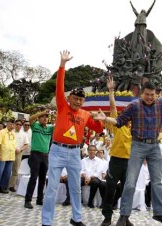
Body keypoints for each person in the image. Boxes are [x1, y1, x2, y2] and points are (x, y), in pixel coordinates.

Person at [96, 80, 162, 226]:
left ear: (156, 94)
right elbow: (119, 120)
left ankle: (159, 213)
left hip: (155, 146)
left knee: (157, 182)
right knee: (130, 183)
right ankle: (124, 215)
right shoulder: (134, 105)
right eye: (147, 94)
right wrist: (105, 118)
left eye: (152, 95)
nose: (150, 97)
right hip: (137, 145)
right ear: (141, 93)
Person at [41, 50, 103, 226]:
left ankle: (76, 219)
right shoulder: (62, 105)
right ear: (69, 98)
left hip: (75, 153)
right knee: (52, 188)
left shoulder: (85, 114)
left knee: (75, 188)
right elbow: (59, 87)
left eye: (80, 100)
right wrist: (62, 65)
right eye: (75, 99)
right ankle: (47, 221)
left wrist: (100, 121)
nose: (77, 102)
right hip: (58, 150)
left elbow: (97, 128)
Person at [101, 76, 133, 226]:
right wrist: (111, 90)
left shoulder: (137, 131)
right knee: (110, 189)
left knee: (127, 192)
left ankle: (125, 217)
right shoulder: (117, 125)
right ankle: (107, 216)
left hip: (129, 163)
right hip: (115, 161)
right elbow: (113, 108)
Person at [24, 110, 54, 209]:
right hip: (35, 155)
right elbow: (30, 119)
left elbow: (59, 124)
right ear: (39, 118)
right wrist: (40, 112)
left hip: (45, 156)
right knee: (33, 178)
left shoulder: (50, 128)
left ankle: (39, 200)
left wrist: (55, 114)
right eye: (42, 117)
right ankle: (27, 200)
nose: (45, 118)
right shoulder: (35, 126)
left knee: (42, 179)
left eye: (46, 117)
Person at [9, 119, 29, 192]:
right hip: (9, 152)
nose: (18, 126)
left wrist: (20, 150)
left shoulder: (24, 134)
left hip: (18, 153)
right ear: (14, 124)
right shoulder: (10, 132)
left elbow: (26, 144)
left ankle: (11, 185)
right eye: (17, 124)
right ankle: (3, 185)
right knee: (6, 170)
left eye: (20, 125)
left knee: (15, 170)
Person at [0, 118, 16, 195]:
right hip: (3, 155)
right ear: (7, 124)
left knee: (7, 173)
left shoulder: (13, 133)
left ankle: (3, 187)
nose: (12, 126)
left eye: (13, 124)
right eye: (10, 124)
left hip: (11, 156)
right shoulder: (2, 132)